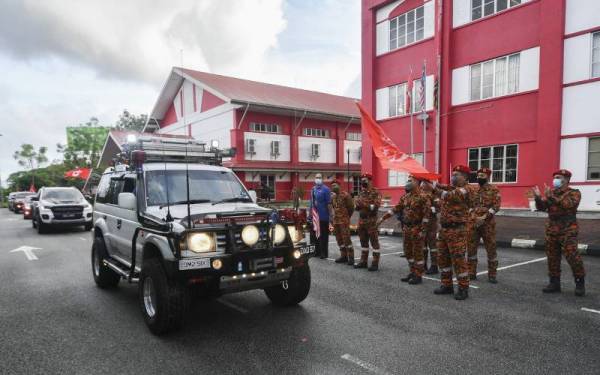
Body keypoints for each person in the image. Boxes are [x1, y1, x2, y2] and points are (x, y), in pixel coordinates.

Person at [532, 169, 585, 296]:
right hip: (552, 230)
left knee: (572, 256)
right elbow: (542, 207)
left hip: (568, 230)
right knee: (552, 257)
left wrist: (551, 197)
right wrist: (538, 198)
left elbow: (569, 205)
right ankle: (554, 283)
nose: (555, 179)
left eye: (558, 177)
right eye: (554, 177)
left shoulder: (574, 193)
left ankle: (579, 283)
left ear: (566, 180)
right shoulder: (552, 192)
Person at [378, 175, 431, 284]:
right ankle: (412, 272)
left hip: (417, 228)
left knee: (418, 253)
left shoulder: (423, 196)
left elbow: (427, 216)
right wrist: (382, 218)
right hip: (407, 228)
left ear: (417, 182)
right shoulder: (405, 197)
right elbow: (396, 209)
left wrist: (423, 231)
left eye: (410, 180)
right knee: (408, 252)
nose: (408, 182)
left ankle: (418, 275)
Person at [433, 165, 473, 300]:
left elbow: (449, 195)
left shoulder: (467, 189)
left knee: (458, 260)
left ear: (465, 177)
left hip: (457, 230)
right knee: (442, 258)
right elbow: (443, 187)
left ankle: (463, 288)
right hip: (444, 230)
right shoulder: (453, 188)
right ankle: (447, 285)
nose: (453, 176)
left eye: (457, 174)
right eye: (453, 174)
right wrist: (430, 182)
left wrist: (433, 188)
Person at [468, 167, 501, 283]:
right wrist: (474, 217)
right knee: (471, 249)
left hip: (488, 224)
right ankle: (471, 273)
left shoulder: (494, 190)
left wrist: (484, 218)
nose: (479, 178)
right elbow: (470, 206)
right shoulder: (474, 190)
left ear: (488, 176)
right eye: (478, 176)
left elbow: (496, 206)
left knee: (491, 249)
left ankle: (492, 275)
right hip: (474, 224)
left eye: (482, 176)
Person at [354, 173, 382, 271]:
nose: (363, 182)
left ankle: (375, 263)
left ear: (370, 181)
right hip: (362, 220)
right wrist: (357, 205)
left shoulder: (376, 192)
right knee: (363, 242)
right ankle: (363, 261)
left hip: (371, 221)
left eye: (365, 180)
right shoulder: (362, 192)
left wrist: (363, 204)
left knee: (374, 242)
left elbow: (375, 207)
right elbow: (358, 207)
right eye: (362, 181)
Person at [330, 179, 356, 265]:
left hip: (344, 221)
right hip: (336, 221)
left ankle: (351, 257)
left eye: (335, 185)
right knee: (339, 239)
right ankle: (343, 256)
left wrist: (347, 217)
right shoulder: (333, 197)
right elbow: (334, 208)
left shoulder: (345, 195)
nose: (333, 187)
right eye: (332, 186)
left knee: (346, 239)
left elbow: (351, 207)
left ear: (339, 186)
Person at [308, 173, 333, 259]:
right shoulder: (313, 189)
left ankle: (324, 253)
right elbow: (311, 203)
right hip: (314, 217)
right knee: (314, 235)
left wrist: (331, 216)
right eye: (316, 177)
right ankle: (316, 251)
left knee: (323, 236)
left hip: (323, 216)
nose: (317, 179)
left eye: (319, 177)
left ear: (322, 179)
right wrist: (309, 214)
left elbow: (329, 204)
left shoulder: (326, 189)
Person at [420, 179, 440, 275]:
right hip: (422, 223)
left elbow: (439, 208)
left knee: (432, 246)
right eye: (422, 183)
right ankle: (423, 265)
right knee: (423, 245)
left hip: (431, 224)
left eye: (424, 183)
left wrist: (433, 209)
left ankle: (434, 265)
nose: (422, 185)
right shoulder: (420, 194)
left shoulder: (434, 195)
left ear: (429, 185)